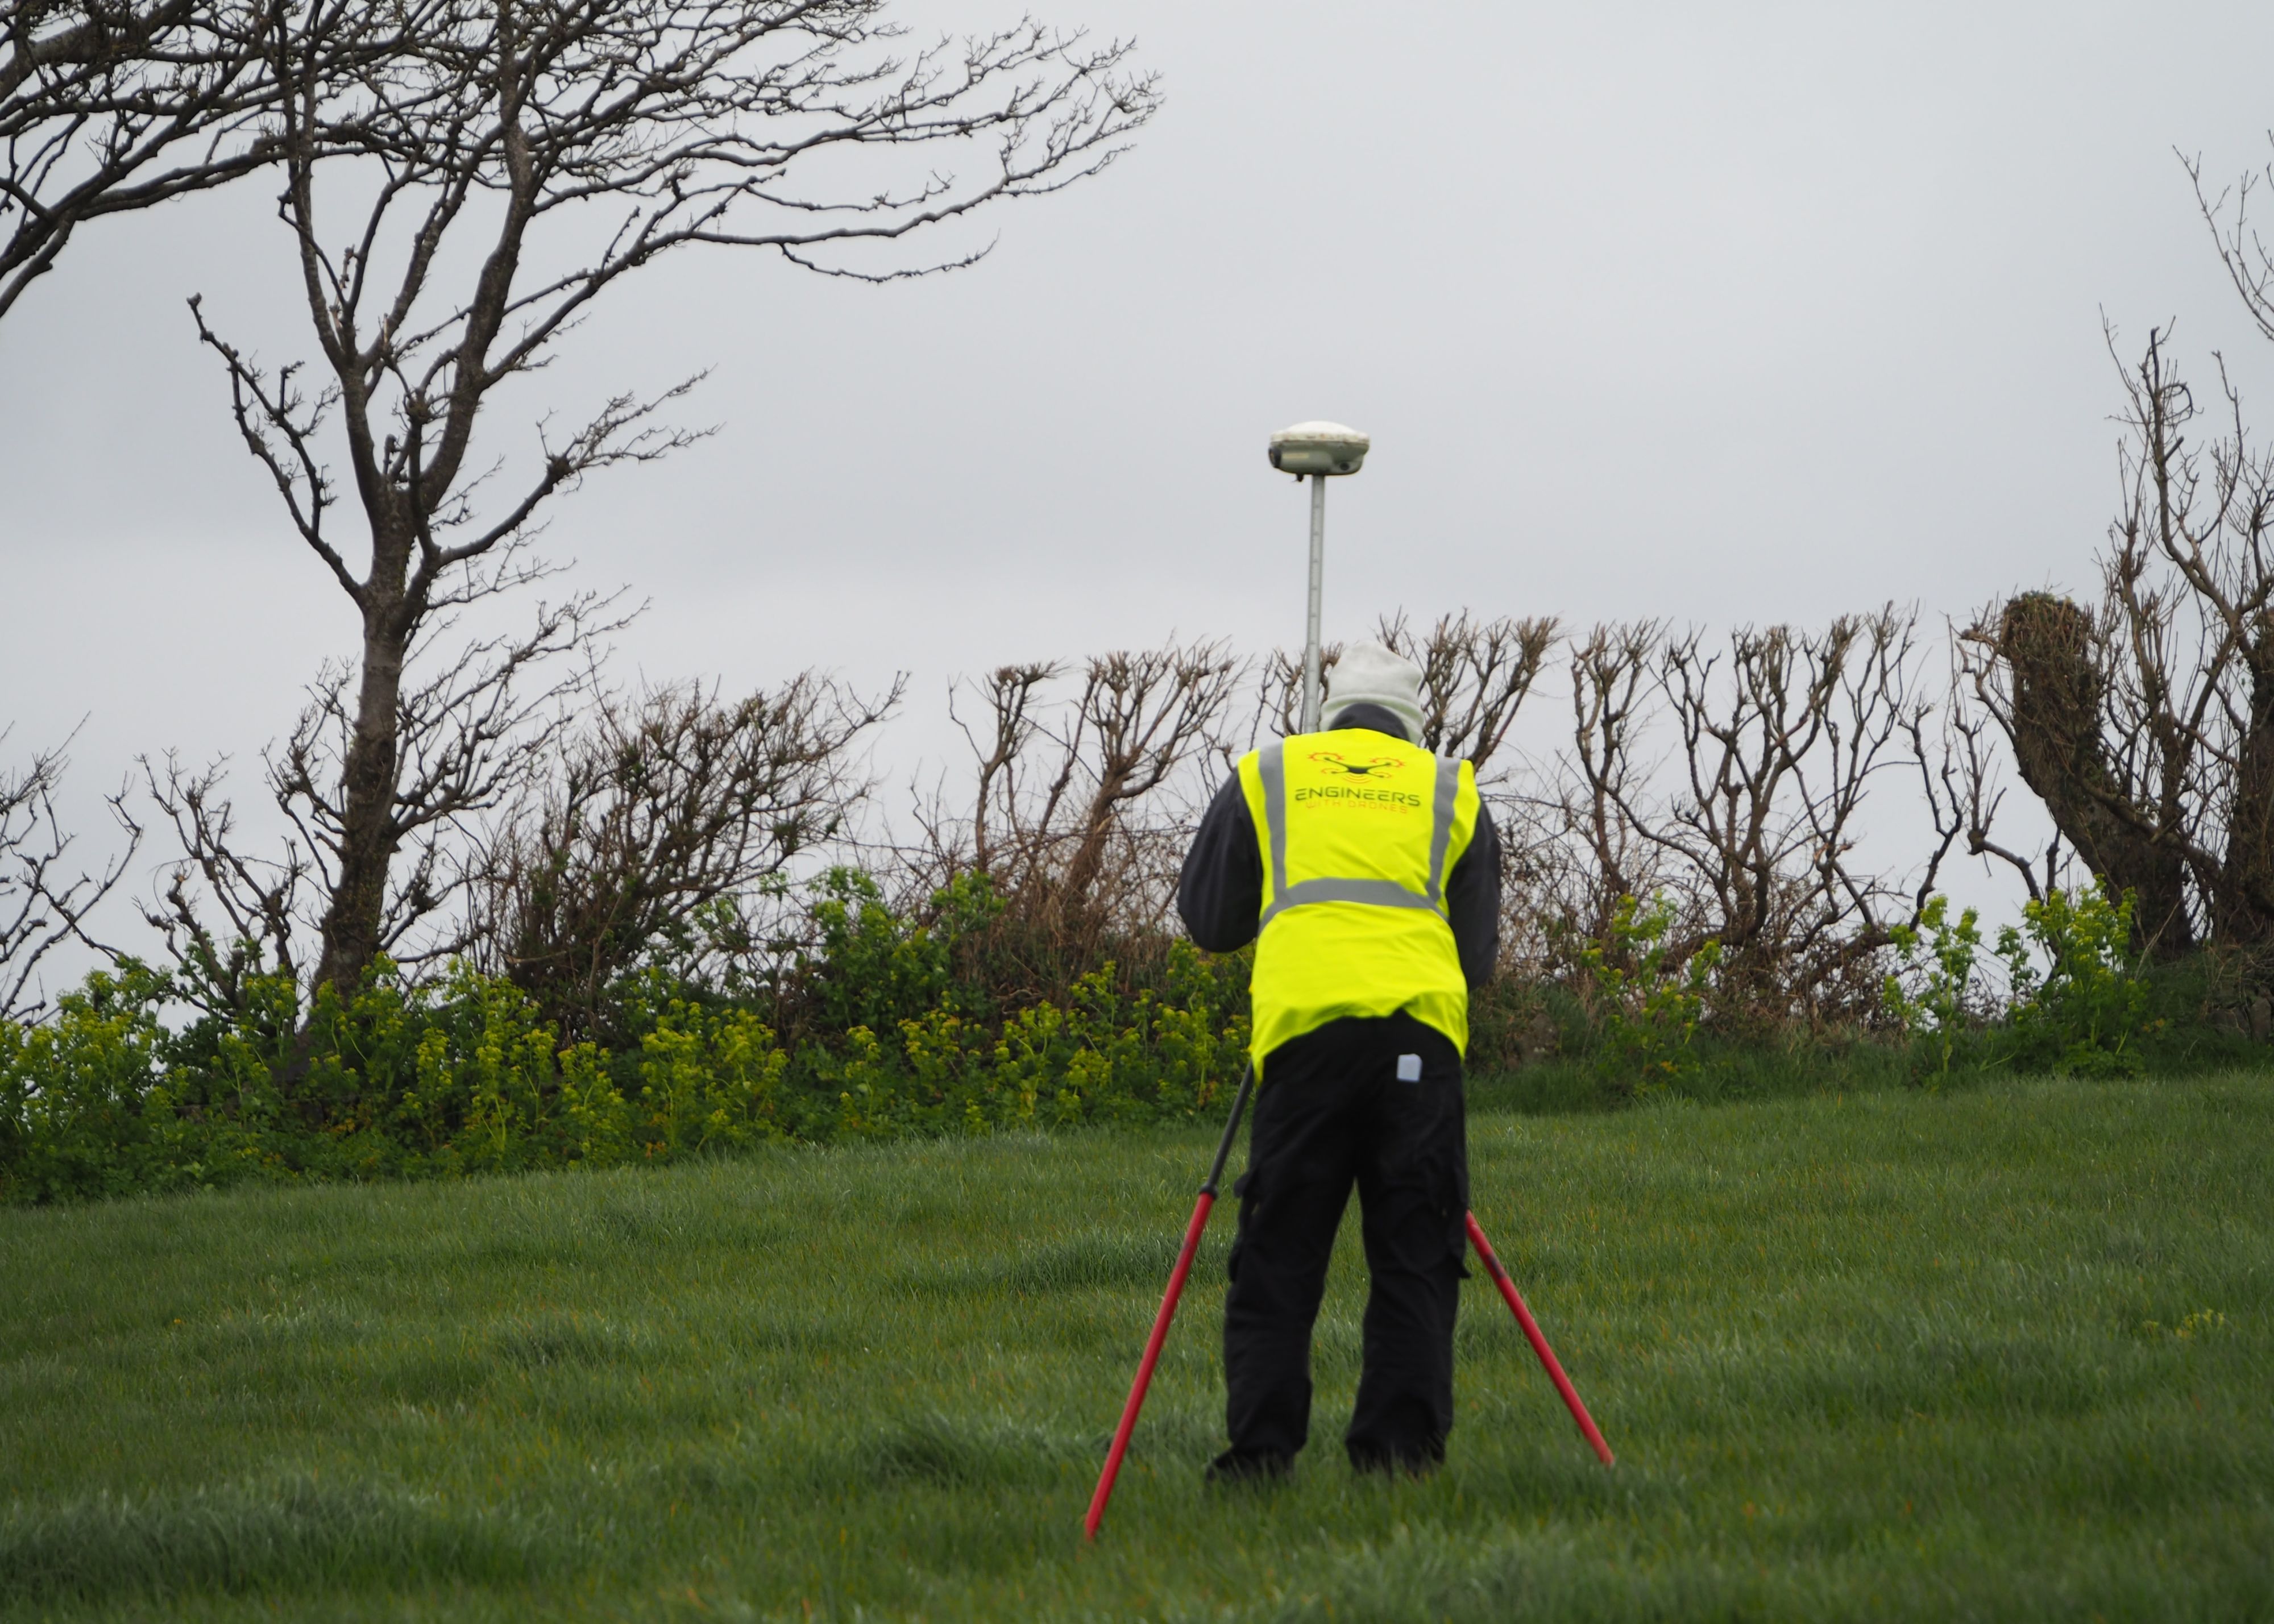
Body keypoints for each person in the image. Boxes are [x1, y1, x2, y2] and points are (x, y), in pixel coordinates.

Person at [1178, 639, 1501, 1481]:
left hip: (1304, 1047)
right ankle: (1398, 1463)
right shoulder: (1450, 790)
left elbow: (1210, 920)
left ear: (1327, 716)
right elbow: (1475, 956)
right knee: (1414, 1253)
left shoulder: (1269, 774)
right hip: (1418, 1050)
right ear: (1413, 726)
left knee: (1279, 1253)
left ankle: (1259, 1458)